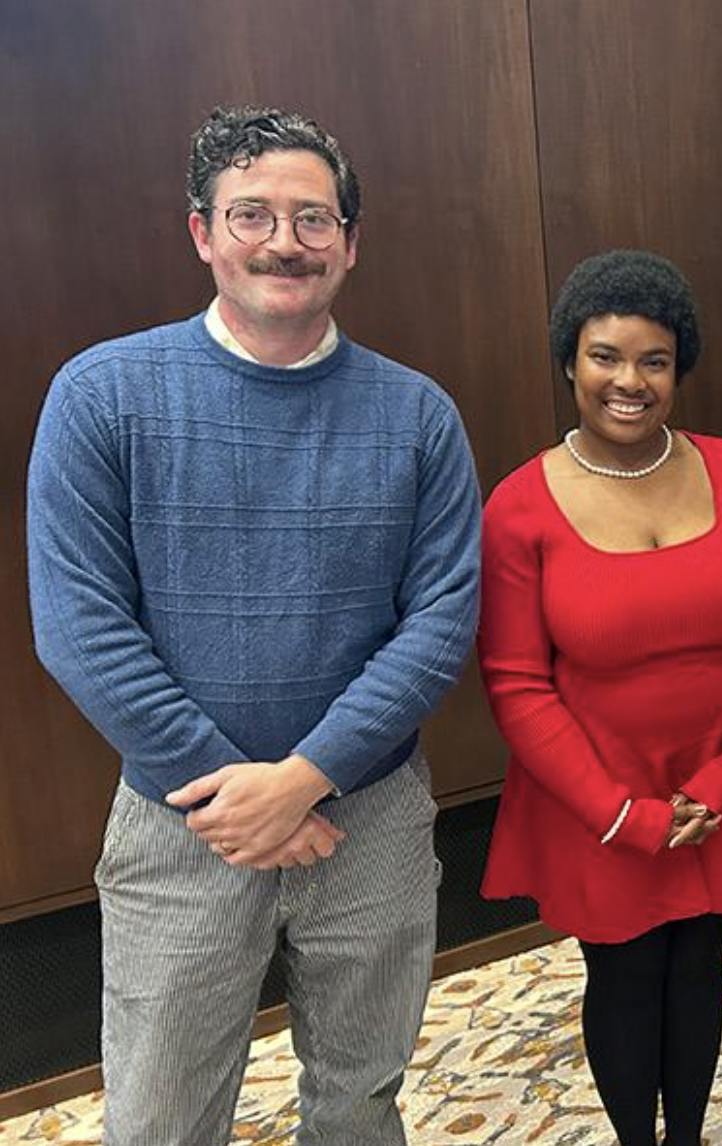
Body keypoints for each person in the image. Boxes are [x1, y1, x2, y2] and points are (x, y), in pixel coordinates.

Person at [26, 105, 480, 1144]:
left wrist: (304, 779)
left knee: (360, 1099)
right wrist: (245, 796)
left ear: (351, 244)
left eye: (314, 219)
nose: (285, 241)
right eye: (253, 215)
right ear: (201, 232)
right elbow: (80, 627)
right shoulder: (101, 397)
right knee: (161, 1117)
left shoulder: (418, 416)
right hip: (184, 820)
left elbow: (441, 622)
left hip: (369, 819)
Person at [477, 250, 722, 1146]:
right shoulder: (520, 506)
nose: (629, 381)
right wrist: (621, 814)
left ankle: (686, 1137)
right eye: (605, 356)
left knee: (700, 964)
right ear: (569, 362)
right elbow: (515, 681)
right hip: (598, 799)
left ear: (679, 367)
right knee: (623, 975)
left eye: (653, 360)